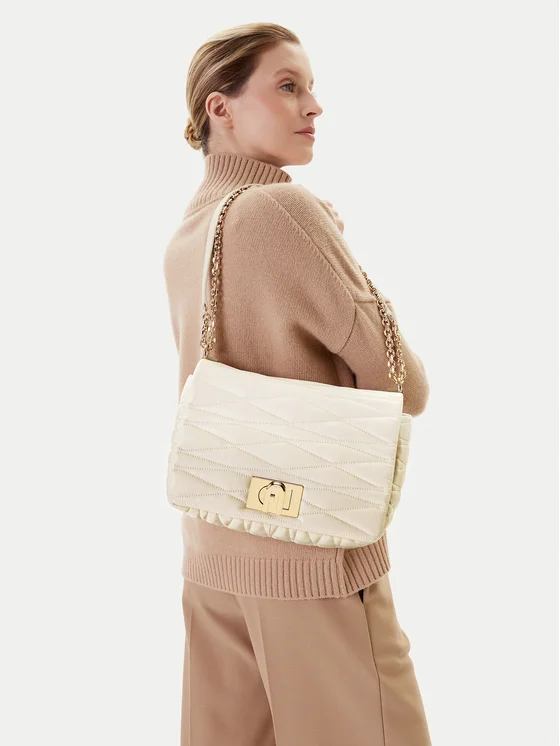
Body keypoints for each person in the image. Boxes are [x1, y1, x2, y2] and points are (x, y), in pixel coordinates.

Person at [163, 21, 432, 746]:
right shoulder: (283, 209)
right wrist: (333, 247)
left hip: (216, 544)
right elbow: (406, 384)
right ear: (220, 108)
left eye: (310, 88)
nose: (313, 105)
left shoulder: (191, 231)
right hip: (313, 550)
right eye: (288, 87)